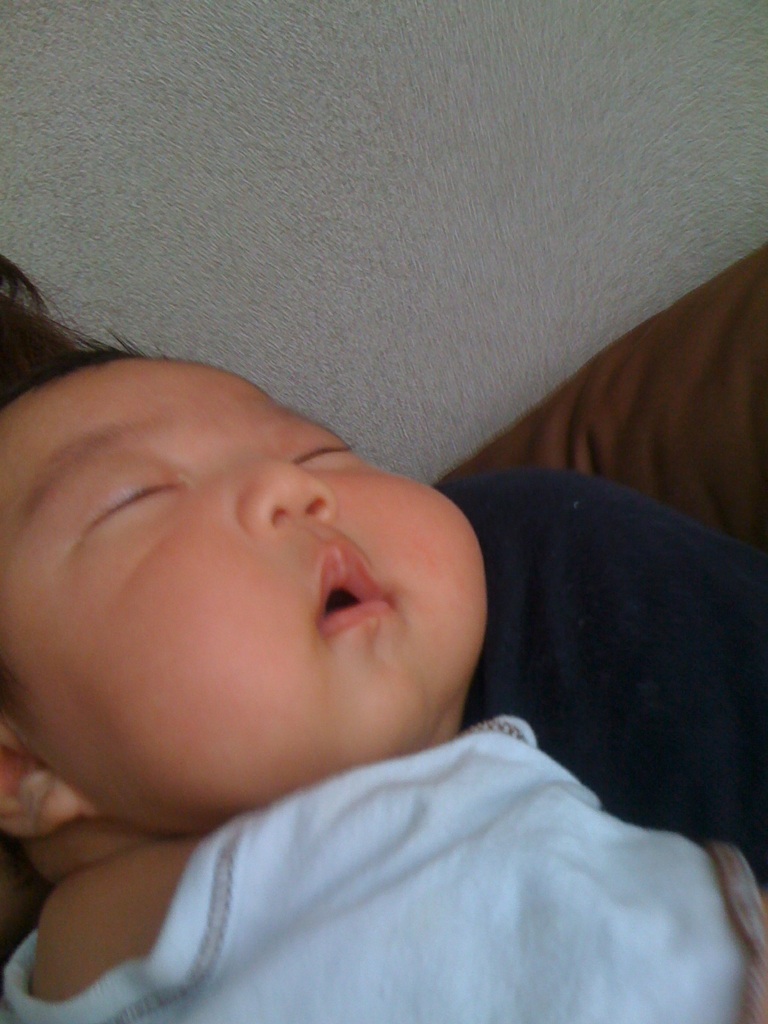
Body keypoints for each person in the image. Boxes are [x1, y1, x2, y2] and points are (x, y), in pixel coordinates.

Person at [0, 254, 765, 1021]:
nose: (294, 486)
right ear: (15, 765)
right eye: (136, 498)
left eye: (316, 451)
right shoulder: (422, 854)